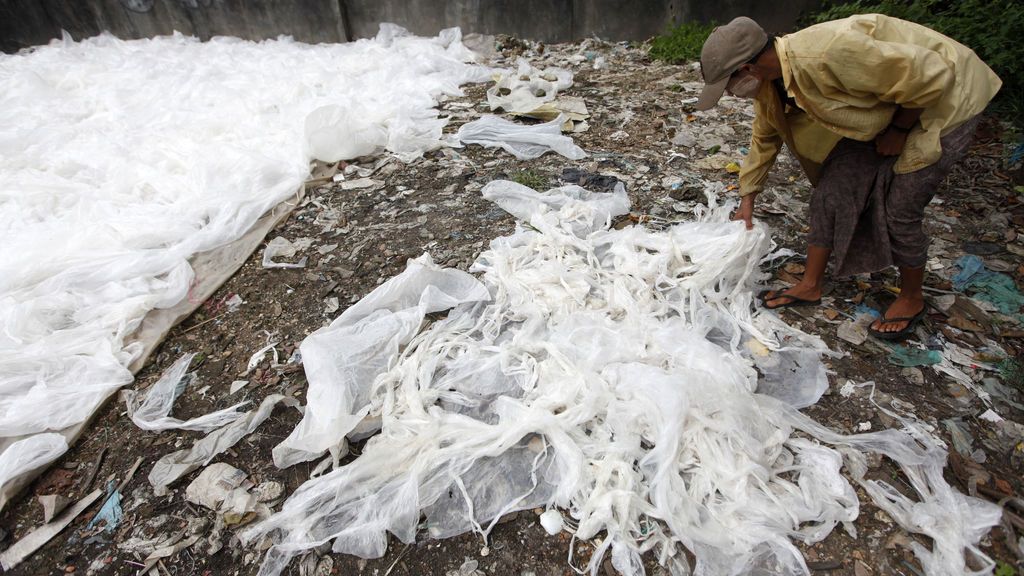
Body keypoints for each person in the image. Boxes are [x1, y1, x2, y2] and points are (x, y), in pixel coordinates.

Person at [695, 14, 1001, 340]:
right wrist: (748, 199)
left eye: (727, 85)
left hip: (947, 100)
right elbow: (764, 137)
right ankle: (811, 285)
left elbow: (932, 76)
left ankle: (911, 298)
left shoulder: (829, 53)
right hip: (887, 111)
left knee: (901, 207)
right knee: (832, 190)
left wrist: (898, 130)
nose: (730, 94)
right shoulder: (773, 84)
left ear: (748, 69)